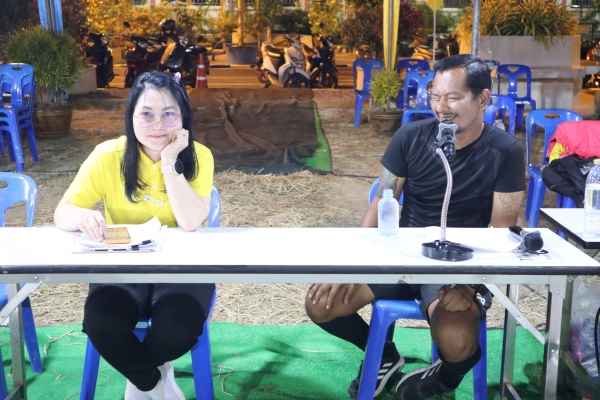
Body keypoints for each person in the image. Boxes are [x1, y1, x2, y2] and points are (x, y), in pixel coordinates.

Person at [305, 54, 525, 400]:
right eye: (435, 96)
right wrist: (350, 263)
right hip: (400, 258)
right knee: (321, 303)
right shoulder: (410, 137)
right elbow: (381, 202)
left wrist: (469, 285)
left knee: (458, 340)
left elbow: (500, 231)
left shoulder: (506, 151)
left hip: (458, 269)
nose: (441, 107)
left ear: (482, 99)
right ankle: (383, 354)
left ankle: (442, 379)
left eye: (453, 97)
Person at [54, 71, 215, 400]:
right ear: (131, 116)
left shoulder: (199, 155)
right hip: (122, 263)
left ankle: (139, 377)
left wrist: (170, 162)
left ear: (183, 117)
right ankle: (154, 382)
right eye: (146, 114)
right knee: (101, 322)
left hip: (183, 266)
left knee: (179, 328)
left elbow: (190, 222)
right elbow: (63, 212)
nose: (158, 125)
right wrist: (83, 216)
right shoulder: (107, 156)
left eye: (168, 114)